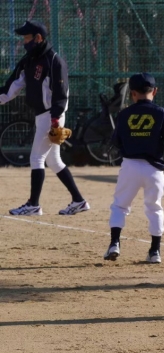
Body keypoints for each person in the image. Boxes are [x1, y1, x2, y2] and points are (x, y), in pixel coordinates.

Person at [0, 20, 89, 216]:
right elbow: (11, 88)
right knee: (54, 161)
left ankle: (33, 204)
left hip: (51, 115)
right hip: (42, 115)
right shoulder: (28, 60)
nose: (24, 41)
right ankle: (79, 201)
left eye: (27, 37)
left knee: (36, 158)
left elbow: (61, 93)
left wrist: (55, 119)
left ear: (38, 38)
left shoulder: (54, 61)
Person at [104, 73, 164, 264]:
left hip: (130, 165)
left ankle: (114, 244)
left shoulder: (124, 114)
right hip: (154, 169)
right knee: (154, 207)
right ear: (154, 91)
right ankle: (155, 251)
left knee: (120, 206)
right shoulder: (162, 113)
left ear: (132, 93)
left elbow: (116, 141)